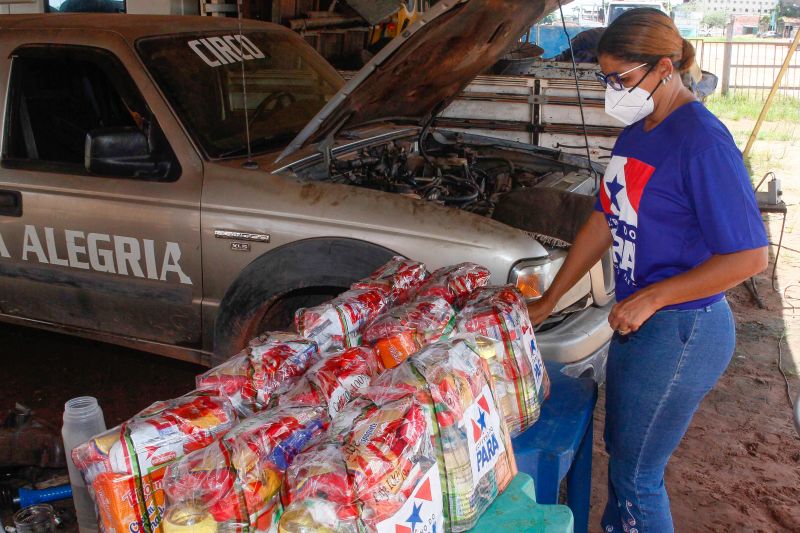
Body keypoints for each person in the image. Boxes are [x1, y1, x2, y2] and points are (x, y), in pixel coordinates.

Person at [527, 8, 768, 533]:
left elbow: (750, 257)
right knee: (622, 455)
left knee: (638, 477)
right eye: (606, 78)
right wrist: (550, 300)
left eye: (621, 78)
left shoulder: (702, 143)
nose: (612, 90)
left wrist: (654, 297)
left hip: (684, 329)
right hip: (641, 325)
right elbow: (603, 219)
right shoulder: (639, 131)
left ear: (664, 66)